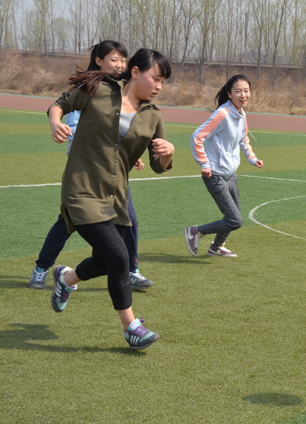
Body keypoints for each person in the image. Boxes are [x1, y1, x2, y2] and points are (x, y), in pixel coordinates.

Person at [47, 48, 174, 349]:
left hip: (115, 196)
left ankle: (65, 279)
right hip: (81, 189)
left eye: (163, 82)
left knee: (104, 262)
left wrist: (168, 154)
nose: (158, 87)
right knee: (120, 258)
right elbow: (59, 105)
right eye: (155, 78)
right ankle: (132, 327)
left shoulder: (153, 116)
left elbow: (158, 166)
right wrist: (55, 123)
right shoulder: (99, 90)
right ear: (134, 72)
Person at [29, 40, 154, 292]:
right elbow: (59, 107)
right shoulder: (88, 88)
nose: (119, 65)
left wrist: (130, 151)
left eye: (122, 60)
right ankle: (42, 268)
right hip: (86, 168)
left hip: (114, 170)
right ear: (99, 60)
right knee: (66, 223)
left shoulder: (122, 90)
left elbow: (120, 127)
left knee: (128, 219)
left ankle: (132, 270)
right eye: (113, 59)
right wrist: (56, 125)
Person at [184, 75, 264, 257]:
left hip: (230, 174)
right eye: (238, 91)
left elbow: (243, 138)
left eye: (246, 91)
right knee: (235, 220)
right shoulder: (223, 114)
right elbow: (197, 136)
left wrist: (252, 158)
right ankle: (196, 232)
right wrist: (204, 163)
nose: (243, 95)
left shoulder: (242, 114)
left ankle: (216, 247)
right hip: (215, 174)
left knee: (233, 217)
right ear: (229, 94)